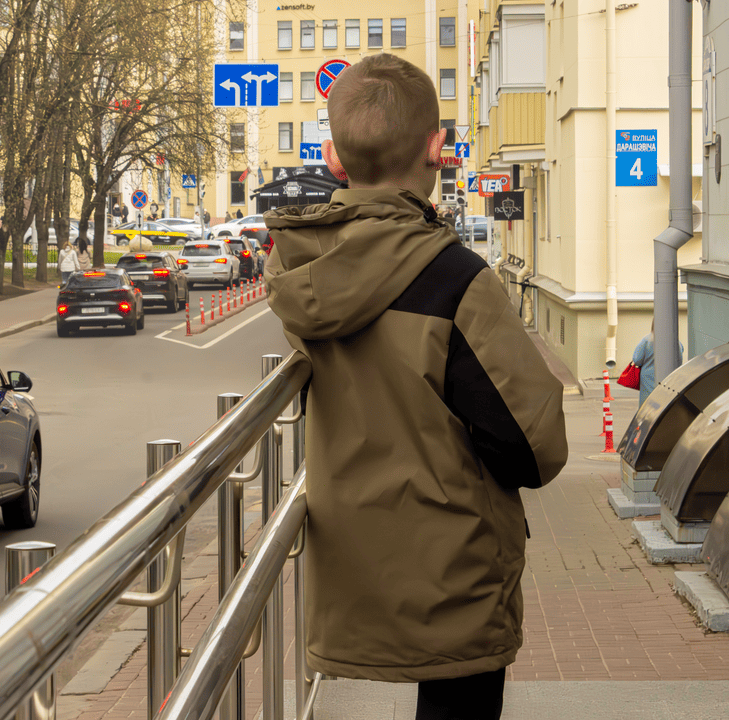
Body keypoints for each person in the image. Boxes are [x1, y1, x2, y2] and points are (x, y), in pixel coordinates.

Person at [263, 54, 568, 720]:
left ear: (333, 158)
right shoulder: (457, 279)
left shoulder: (296, 269)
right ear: (439, 148)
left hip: (348, 570)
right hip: (454, 574)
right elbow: (535, 446)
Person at [632, 320, 683, 406]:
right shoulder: (675, 341)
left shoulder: (647, 340)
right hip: (669, 378)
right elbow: (679, 361)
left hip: (648, 379)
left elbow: (637, 360)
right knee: (665, 403)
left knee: (647, 405)